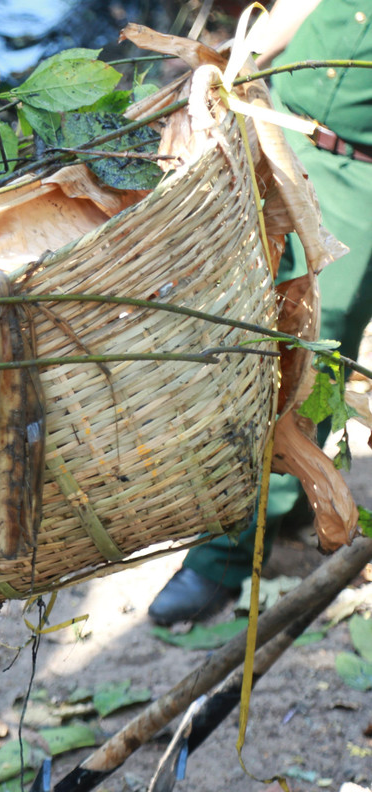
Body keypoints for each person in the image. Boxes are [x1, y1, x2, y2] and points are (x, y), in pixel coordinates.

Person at [148, 0, 372, 625]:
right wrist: (241, 61)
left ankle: (224, 560)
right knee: (246, 332)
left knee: (307, 358)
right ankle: (268, 512)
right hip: (281, 130)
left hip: (363, 176)